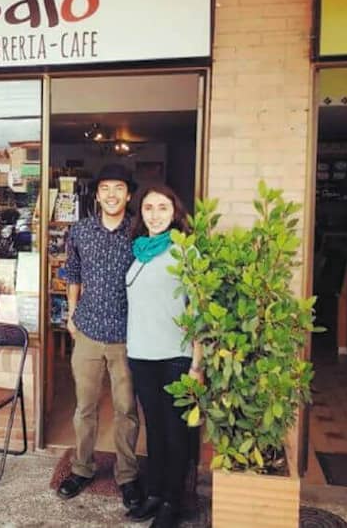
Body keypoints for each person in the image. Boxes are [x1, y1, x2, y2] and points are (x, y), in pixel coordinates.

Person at [56, 164, 144, 512]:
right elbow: (73, 274)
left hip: (127, 334)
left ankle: (127, 475)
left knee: (126, 410)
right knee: (85, 408)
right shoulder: (80, 231)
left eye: (118, 188)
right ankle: (81, 468)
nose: (111, 194)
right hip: (88, 330)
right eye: (105, 188)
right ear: (96, 194)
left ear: (128, 194)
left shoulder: (139, 233)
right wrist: (72, 315)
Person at [124, 184, 202, 528]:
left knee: (176, 432)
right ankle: (154, 492)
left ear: (175, 213)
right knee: (154, 429)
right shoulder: (139, 251)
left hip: (175, 356)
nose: (155, 215)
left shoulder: (186, 253)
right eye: (148, 208)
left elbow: (200, 312)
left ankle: (173, 500)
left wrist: (198, 365)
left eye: (162, 208)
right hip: (141, 354)